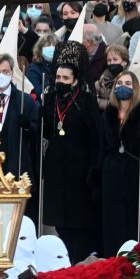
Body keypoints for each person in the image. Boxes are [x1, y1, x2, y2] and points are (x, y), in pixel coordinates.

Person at [40, 61, 101, 262]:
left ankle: (78, 260)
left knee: (78, 222)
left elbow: (95, 136)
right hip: (56, 168)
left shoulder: (85, 101)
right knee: (60, 221)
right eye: (58, 77)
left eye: (66, 78)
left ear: (75, 81)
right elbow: (47, 131)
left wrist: (93, 169)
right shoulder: (50, 100)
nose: (61, 81)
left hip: (79, 170)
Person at [97, 71, 140, 257]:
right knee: (112, 223)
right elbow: (101, 148)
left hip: (134, 175)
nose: (123, 86)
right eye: (120, 83)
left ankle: (137, 261)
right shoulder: (107, 116)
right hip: (111, 175)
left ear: (136, 88)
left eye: (128, 83)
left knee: (134, 222)